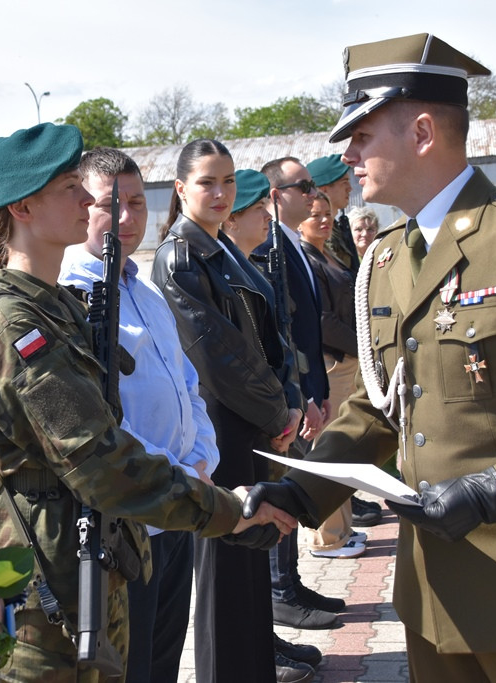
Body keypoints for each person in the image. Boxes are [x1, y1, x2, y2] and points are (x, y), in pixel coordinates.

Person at [244, 33, 496, 683]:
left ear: (424, 131)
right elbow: (380, 405)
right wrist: (302, 489)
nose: (348, 155)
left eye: (363, 135)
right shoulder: (383, 259)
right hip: (433, 600)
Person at [0, 123, 295, 683]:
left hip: (94, 547)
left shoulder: (56, 308)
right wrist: (227, 512)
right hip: (48, 573)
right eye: (71, 188)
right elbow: (100, 462)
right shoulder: (18, 325)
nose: (90, 200)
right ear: (22, 208)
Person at [57, 147, 220, 683]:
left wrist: (201, 458)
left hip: (180, 505)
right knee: (134, 666)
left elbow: (187, 385)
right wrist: (170, 477)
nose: (127, 219)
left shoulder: (144, 289)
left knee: (166, 657)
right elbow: (95, 421)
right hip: (131, 522)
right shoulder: (74, 296)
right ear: (82, 206)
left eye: (135, 202)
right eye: (110, 204)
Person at [149, 140, 306, 683]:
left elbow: (270, 337)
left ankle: (254, 667)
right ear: (180, 189)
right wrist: (277, 414)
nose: (220, 193)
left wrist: (287, 403)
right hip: (224, 430)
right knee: (225, 562)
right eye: (206, 183)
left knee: (250, 554)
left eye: (228, 182)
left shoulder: (224, 248)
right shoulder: (180, 258)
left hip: (254, 422)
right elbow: (220, 358)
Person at [221, 169, 325, 680]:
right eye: (258, 208)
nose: (268, 215)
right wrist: (277, 412)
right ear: (233, 217)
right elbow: (232, 358)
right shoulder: (218, 266)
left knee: (271, 525)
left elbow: (284, 337)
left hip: (274, 413)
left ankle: (275, 621)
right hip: (249, 423)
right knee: (254, 534)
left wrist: (295, 399)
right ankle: (272, 621)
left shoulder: (252, 259)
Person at [256, 157, 348, 629]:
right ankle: (280, 590)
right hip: (288, 396)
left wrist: (320, 388)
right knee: (283, 484)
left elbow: (305, 328)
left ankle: (288, 582)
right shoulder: (269, 248)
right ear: (276, 195)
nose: (315, 194)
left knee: (293, 482)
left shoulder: (291, 244)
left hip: (307, 388)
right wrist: (302, 394)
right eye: (303, 186)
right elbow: (282, 334)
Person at [297, 190, 368, 559]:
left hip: (346, 361)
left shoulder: (328, 253)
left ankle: (342, 529)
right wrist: (363, 344)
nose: (324, 220)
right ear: (298, 220)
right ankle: (326, 536)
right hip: (333, 363)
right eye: (315, 215)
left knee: (343, 448)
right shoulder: (306, 259)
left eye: (327, 213)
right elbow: (323, 321)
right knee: (328, 449)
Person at [307, 153, 358, 271]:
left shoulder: (336, 227)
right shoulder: (316, 231)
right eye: (344, 182)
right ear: (324, 190)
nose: (350, 188)